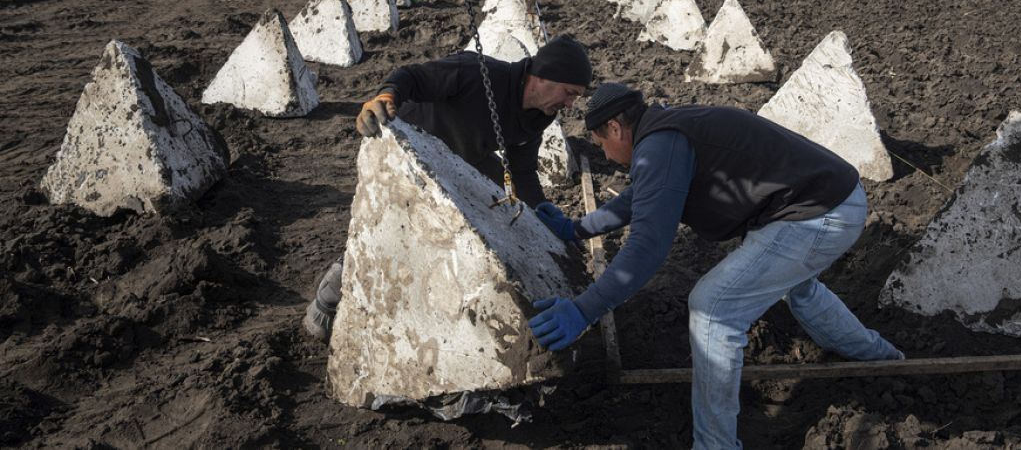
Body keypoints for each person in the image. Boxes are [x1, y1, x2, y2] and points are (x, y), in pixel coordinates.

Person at [528, 83, 903, 450]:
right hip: (824, 201)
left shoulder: (661, 144)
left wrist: (584, 310)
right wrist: (576, 228)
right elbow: (637, 198)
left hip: (820, 214)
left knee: (713, 309)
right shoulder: (665, 133)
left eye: (600, 144)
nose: (606, 156)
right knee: (799, 288)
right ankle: (879, 357)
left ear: (614, 127)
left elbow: (648, 246)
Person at [302, 35, 592, 341]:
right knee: (393, 229)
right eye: (570, 93)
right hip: (414, 146)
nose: (571, 103)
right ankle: (326, 301)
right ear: (544, 76)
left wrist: (540, 213)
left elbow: (521, 169)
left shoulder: (540, 115)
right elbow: (413, 76)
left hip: (462, 159)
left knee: (494, 213)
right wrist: (387, 97)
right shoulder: (477, 73)